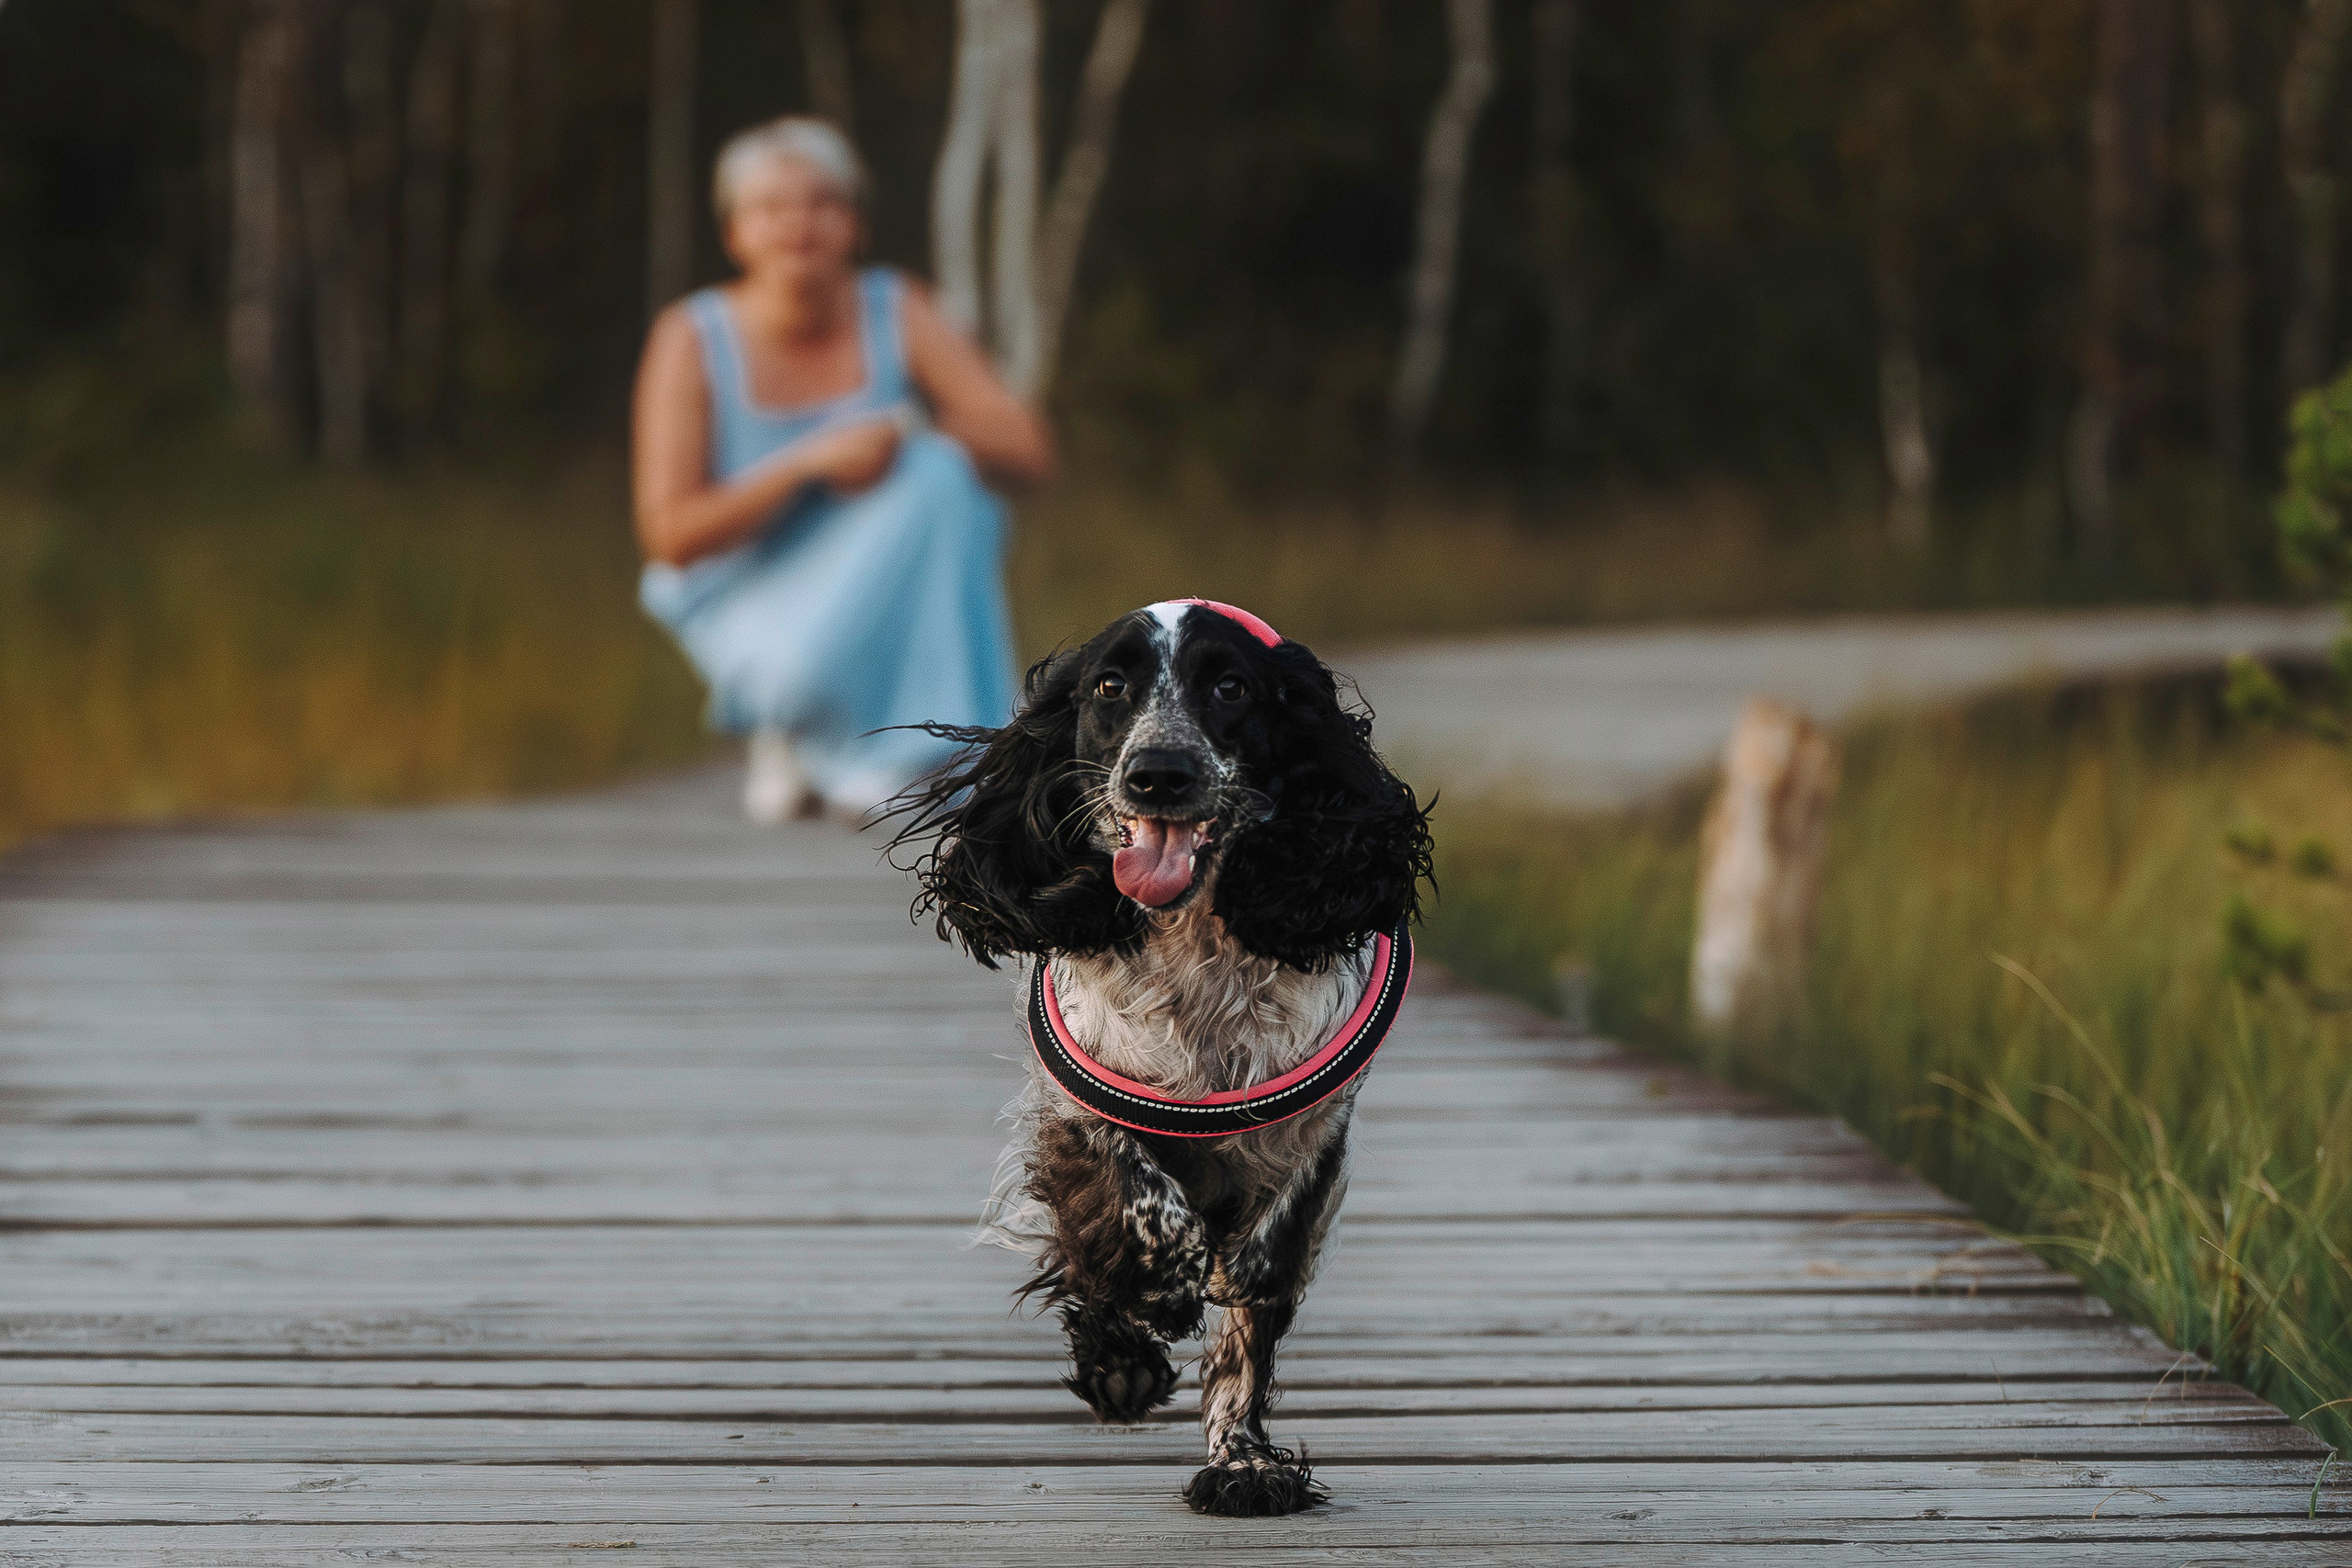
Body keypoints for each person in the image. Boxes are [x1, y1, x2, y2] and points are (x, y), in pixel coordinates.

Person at [632, 118, 1055, 823]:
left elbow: (1027, 448)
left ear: (853, 224)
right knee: (795, 675)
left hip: (880, 575)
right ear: (736, 233)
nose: (798, 224)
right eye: (771, 207)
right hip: (749, 586)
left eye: (822, 203)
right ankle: (802, 726)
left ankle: (928, 750)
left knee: (941, 472)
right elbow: (670, 537)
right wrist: (806, 465)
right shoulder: (691, 336)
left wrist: (903, 427)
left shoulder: (896, 307)